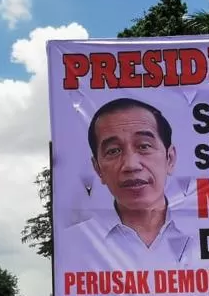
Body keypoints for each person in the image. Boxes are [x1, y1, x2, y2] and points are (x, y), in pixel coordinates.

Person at [68, 97, 193, 266]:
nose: (131, 165)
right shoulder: (73, 244)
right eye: (113, 151)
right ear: (98, 168)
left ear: (169, 159)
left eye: (144, 146)